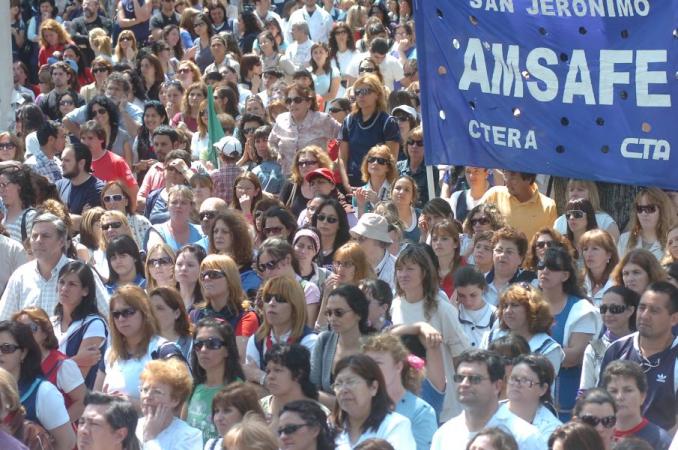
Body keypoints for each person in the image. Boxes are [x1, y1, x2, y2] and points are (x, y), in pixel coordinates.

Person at [390, 244, 470, 421]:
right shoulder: (395, 305)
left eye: (410, 269)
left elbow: (462, 357)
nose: (403, 274)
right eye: (400, 269)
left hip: (444, 405)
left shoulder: (442, 309)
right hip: (406, 401)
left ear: (424, 272)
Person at [599, 282, 678, 432]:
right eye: (642, 308)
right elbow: (602, 404)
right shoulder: (616, 349)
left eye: (654, 311)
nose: (644, 316)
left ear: (674, 319)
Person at [0, 212, 110, 320]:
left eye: (45, 236)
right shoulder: (21, 276)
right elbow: (4, 320)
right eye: (34, 236)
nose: (38, 241)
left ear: (62, 242)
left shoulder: (82, 273)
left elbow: (108, 316)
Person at [430, 349, 544, 450]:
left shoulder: (524, 436)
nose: (464, 384)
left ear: (497, 386)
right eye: (459, 378)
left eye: (475, 379)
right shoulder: (445, 434)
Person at [539, 246, 601, 420]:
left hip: (566, 407)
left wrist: (529, 354)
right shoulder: (528, 305)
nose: (544, 271)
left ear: (565, 276)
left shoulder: (582, 310)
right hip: (531, 403)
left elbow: (574, 356)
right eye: (541, 266)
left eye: (552, 268)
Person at [0, 321, 76, 450]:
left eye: (6, 348)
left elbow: (67, 443)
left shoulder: (44, 392)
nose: (0, 353)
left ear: (23, 352)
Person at [363, 333, 438, 450]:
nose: (371, 370)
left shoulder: (422, 412)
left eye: (377, 364)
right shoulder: (361, 406)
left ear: (398, 366)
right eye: (367, 364)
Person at [13, 307, 87, 423]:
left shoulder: (63, 365)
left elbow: (82, 401)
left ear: (45, 332)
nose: (24, 334)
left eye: (31, 328)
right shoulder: (15, 362)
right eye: (19, 330)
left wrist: (57, 430)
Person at [99, 285, 167, 409]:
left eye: (128, 312)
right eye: (116, 314)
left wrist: (131, 404)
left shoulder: (163, 349)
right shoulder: (110, 353)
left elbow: (179, 404)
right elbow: (95, 398)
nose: (121, 319)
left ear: (145, 312)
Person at [244, 276, 318, 385]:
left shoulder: (310, 342)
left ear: (295, 307)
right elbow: (252, 388)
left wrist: (261, 377)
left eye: (280, 299)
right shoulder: (256, 340)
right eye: (268, 298)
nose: (271, 303)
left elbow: (302, 391)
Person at [332, 354, 415, 450]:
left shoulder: (395, 425)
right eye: (338, 384)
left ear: (373, 387)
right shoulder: (328, 427)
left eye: (350, 382)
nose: (343, 390)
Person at [483, 283, 564, 375]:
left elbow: (544, 385)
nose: (508, 311)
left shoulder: (549, 348)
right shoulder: (491, 337)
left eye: (514, 305)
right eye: (505, 306)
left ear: (532, 309)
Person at [51, 261, 107, 390]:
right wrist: (75, 360)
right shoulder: (50, 323)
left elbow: (78, 378)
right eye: (62, 282)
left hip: (82, 404)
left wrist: (51, 368)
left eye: (72, 284)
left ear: (85, 291)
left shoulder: (94, 324)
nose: (64, 288)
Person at [311, 285, 370, 406]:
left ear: (358, 313)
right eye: (328, 313)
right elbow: (310, 390)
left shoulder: (374, 347)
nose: (332, 318)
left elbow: (370, 400)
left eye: (339, 313)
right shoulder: (324, 340)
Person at [190, 254, 259, 354]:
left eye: (213, 274)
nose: (206, 278)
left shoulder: (246, 317)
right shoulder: (194, 315)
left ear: (230, 279)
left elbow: (239, 358)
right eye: (203, 275)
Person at [339, 74, 400, 186]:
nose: (361, 95)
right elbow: (342, 158)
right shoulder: (348, 121)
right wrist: (346, 184)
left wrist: (378, 189)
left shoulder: (388, 122)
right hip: (352, 184)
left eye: (366, 91)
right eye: (358, 92)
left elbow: (391, 161)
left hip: (378, 186)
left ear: (377, 94)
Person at [268, 82, 340, 175]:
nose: (292, 104)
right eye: (289, 101)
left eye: (297, 100)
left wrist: (338, 163)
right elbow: (271, 142)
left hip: (316, 179)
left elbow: (345, 137)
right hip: (288, 177)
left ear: (308, 103)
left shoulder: (323, 120)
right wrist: (277, 153)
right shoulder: (281, 119)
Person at [601, 360, 672, 450]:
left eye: (628, 390)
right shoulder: (596, 436)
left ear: (642, 396)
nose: (620, 397)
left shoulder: (661, 442)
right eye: (613, 391)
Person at [579, 286, 638, 391]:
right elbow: (585, 391)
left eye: (615, 309)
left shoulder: (641, 345)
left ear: (630, 311)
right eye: (603, 309)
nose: (608, 314)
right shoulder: (594, 348)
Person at [136, 358, 201, 448]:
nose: (147, 396)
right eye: (145, 390)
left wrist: (150, 437)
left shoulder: (190, 436)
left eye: (157, 392)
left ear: (175, 400)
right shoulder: (130, 427)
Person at [256, 238, 321, 326]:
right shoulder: (265, 290)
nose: (267, 271)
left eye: (271, 265)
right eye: (263, 267)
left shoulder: (308, 289)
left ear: (287, 259)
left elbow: (308, 326)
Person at [481, 171, 557, 241]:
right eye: (506, 176)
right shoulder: (494, 195)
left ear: (528, 179)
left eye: (513, 179)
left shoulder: (548, 206)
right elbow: (472, 223)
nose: (507, 182)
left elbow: (550, 242)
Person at [261, 344, 324, 428]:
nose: (270, 376)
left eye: (277, 370)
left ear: (298, 374)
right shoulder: (257, 409)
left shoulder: (320, 415)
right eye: (268, 371)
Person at [505, 354, 562, 446]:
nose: (516, 384)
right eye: (513, 378)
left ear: (543, 389)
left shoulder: (552, 431)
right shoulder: (490, 412)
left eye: (525, 380)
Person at [206, 211, 262, 298]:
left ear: (237, 235)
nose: (218, 236)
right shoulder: (209, 265)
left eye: (224, 232)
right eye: (215, 231)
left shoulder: (251, 270)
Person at [552, 179, 619, 242]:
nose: (574, 194)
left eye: (580, 190)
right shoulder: (559, 222)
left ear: (591, 194)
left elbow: (612, 252)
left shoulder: (606, 222)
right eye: (571, 190)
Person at [484, 226, 535, 307]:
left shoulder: (532, 283)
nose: (503, 255)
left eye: (509, 252)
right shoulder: (479, 282)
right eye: (499, 250)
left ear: (520, 259)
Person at [617, 188, 674, 260]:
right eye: (640, 209)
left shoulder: (673, 241)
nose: (643, 213)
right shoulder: (624, 239)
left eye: (650, 208)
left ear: (662, 211)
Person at [350, 213, 396, 290]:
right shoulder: (350, 265)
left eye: (362, 239)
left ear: (378, 241)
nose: (356, 244)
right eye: (355, 239)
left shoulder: (397, 269)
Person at [396, 126, 438, 208]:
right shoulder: (397, 167)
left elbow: (432, 200)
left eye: (420, 143)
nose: (414, 146)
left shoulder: (432, 171)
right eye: (411, 142)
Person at [454, 267, 496, 348]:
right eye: (461, 295)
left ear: (483, 289)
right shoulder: (453, 312)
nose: (468, 301)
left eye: (473, 295)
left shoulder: (494, 315)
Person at [148, 287, 193, 360]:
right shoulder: (144, 344)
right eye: (150, 308)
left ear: (176, 313)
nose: (153, 313)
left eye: (159, 308)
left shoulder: (191, 345)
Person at [353, 145, 397, 217]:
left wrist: (377, 202)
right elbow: (358, 224)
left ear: (388, 167)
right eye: (371, 159)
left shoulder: (395, 191)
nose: (375, 163)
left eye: (381, 161)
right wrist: (361, 205)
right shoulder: (359, 192)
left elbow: (395, 220)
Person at [579, 229, 619, 305]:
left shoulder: (618, 282)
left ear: (609, 254)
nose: (589, 254)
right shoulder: (579, 282)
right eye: (585, 249)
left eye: (595, 249)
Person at [0, 165, 38, 243]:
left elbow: (33, 250)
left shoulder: (30, 217)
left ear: (18, 185)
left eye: (3, 185)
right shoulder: (4, 216)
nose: (1, 190)